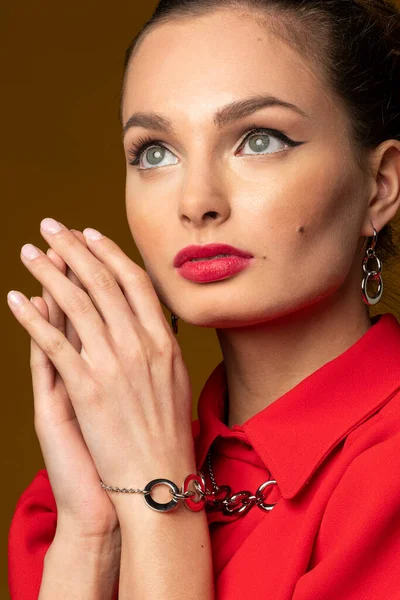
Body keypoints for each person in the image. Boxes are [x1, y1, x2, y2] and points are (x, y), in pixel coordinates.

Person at [7, 0, 400, 598]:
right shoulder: (80, 497)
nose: (196, 201)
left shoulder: (387, 477)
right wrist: (93, 535)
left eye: (259, 139)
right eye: (155, 152)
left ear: (380, 186)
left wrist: (158, 504)